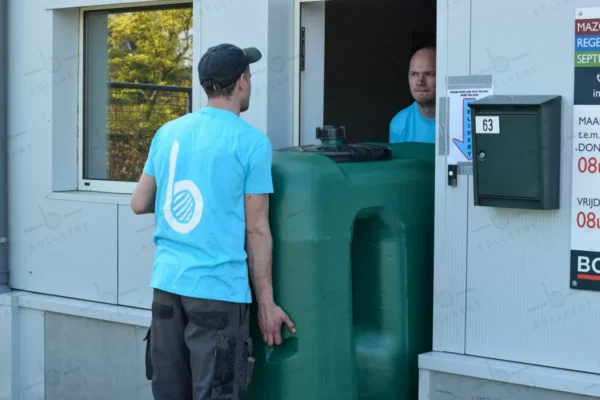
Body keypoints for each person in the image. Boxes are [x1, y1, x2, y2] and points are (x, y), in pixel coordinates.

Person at [130, 43, 295, 400]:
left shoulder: (169, 132)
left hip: (167, 288)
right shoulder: (252, 143)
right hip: (218, 294)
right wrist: (266, 303)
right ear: (241, 82)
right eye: (249, 75)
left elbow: (139, 202)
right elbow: (256, 228)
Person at [389, 46, 436, 144]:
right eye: (414, 74)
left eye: (429, 74)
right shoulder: (399, 123)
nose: (420, 82)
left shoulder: (462, 120)